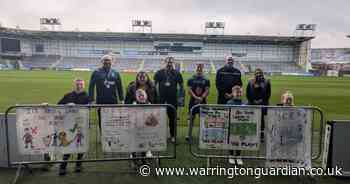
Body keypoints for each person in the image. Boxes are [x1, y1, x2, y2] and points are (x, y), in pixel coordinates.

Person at [57, 78, 90, 176]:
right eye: (77, 84)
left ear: (83, 85)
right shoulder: (68, 95)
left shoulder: (87, 96)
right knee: (68, 145)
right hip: (69, 125)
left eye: (81, 84)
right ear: (74, 85)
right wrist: (67, 105)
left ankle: (78, 165)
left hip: (82, 125)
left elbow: (89, 107)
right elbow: (58, 105)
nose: (79, 86)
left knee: (81, 145)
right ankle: (63, 166)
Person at [88, 54, 124, 130]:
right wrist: (91, 100)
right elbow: (91, 86)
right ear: (102, 62)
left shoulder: (116, 73)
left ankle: (113, 136)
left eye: (109, 60)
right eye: (105, 60)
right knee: (102, 119)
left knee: (113, 119)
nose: (107, 62)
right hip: (101, 100)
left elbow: (119, 87)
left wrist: (121, 99)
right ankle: (103, 137)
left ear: (112, 62)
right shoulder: (96, 72)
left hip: (113, 100)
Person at [154, 57, 184, 143]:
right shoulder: (159, 73)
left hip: (173, 100)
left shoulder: (177, 73)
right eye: (167, 62)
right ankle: (160, 135)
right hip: (161, 100)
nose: (169, 64)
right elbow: (154, 86)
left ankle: (173, 136)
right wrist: (156, 98)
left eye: (171, 62)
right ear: (165, 63)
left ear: (173, 63)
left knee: (172, 119)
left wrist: (180, 98)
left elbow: (181, 86)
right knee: (160, 119)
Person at [186, 63, 210, 141]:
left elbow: (207, 91)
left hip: (202, 102)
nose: (199, 70)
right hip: (192, 102)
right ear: (195, 69)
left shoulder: (206, 80)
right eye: (198, 68)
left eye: (200, 68)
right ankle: (189, 135)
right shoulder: (190, 79)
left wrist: (201, 98)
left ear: (202, 70)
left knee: (202, 119)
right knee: (191, 119)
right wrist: (196, 97)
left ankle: (202, 135)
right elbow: (189, 90)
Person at [246, 68, 271, 142]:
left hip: (262, 104)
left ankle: (261, 136)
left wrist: (262, 100)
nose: (258, 74)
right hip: (252, 103)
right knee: (251, 119)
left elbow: (268, 94)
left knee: (261, 119)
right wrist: (253, 101)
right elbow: (247, 93)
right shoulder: (250, 82)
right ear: (254, 74)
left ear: (262, 73)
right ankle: (251, 135)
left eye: (260, 73)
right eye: (257, 73)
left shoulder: (266, 82)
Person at [227, 85, 245, 165]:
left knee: (240, 141)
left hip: (241, 126)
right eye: (236, 92)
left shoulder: (244, 103)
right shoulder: (229, 102)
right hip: (231, 125)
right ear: (232, 93)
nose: (238, 94)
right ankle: (231, 156)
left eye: (240, 92)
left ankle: (238, 156)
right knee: (231, 140)